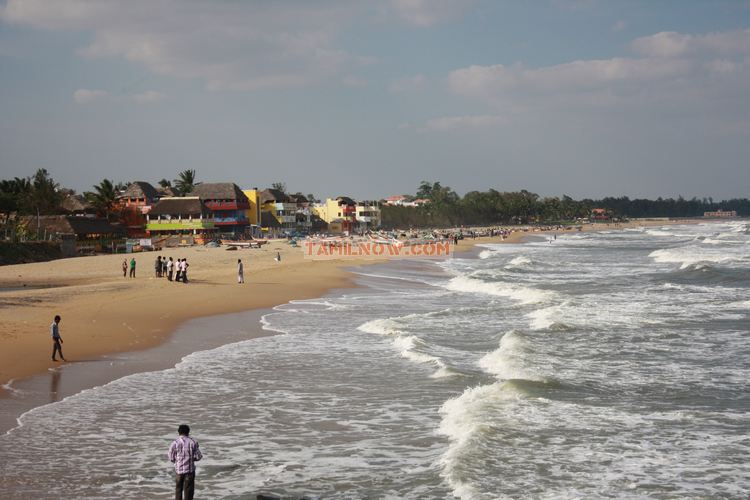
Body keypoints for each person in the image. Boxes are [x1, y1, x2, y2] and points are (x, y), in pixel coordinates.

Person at [168, 424, 203, 500]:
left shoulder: (175, 443)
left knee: (178, 490)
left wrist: (177, 461)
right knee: (189, 491)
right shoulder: (192, 442)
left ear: (178, 432)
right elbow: (199, 457)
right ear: (188, 432)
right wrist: (192, 459)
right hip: (189, 471)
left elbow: (171, 457)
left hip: (178, 470)